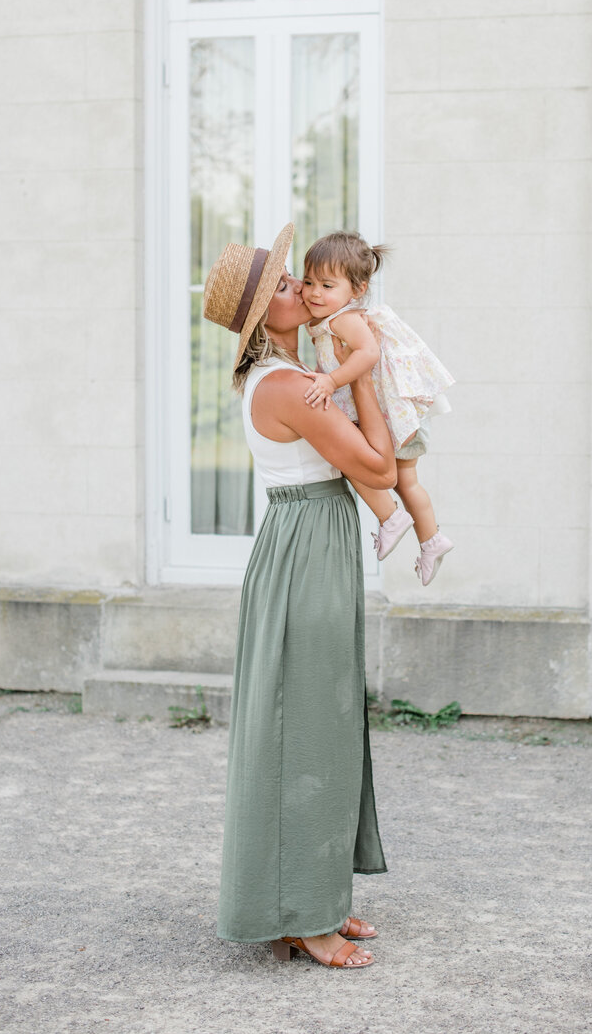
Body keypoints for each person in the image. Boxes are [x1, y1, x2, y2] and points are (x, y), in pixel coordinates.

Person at [202, 223, 396, 970]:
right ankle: (302, 916)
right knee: (306, 726)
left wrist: (342, 371)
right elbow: (377, 468)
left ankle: (315, 894)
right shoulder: (288, 384)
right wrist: (363, 374)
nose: (303, 289)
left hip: (309, 541)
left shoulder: (284, 373)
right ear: (262, 316)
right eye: (285, 285)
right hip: (307, 550)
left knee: (325, 719)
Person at [301, 230, 455, 586]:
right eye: (308, 282)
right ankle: (431, 540)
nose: (313, 293)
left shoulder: (344, 319)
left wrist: (331, 380)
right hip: (397, 417)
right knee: (407, 482)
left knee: (350, 457)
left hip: (392, 419)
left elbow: (367, 354)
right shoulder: (336, 318)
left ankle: (391, 519)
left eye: (327, 285)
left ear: (356, 290)